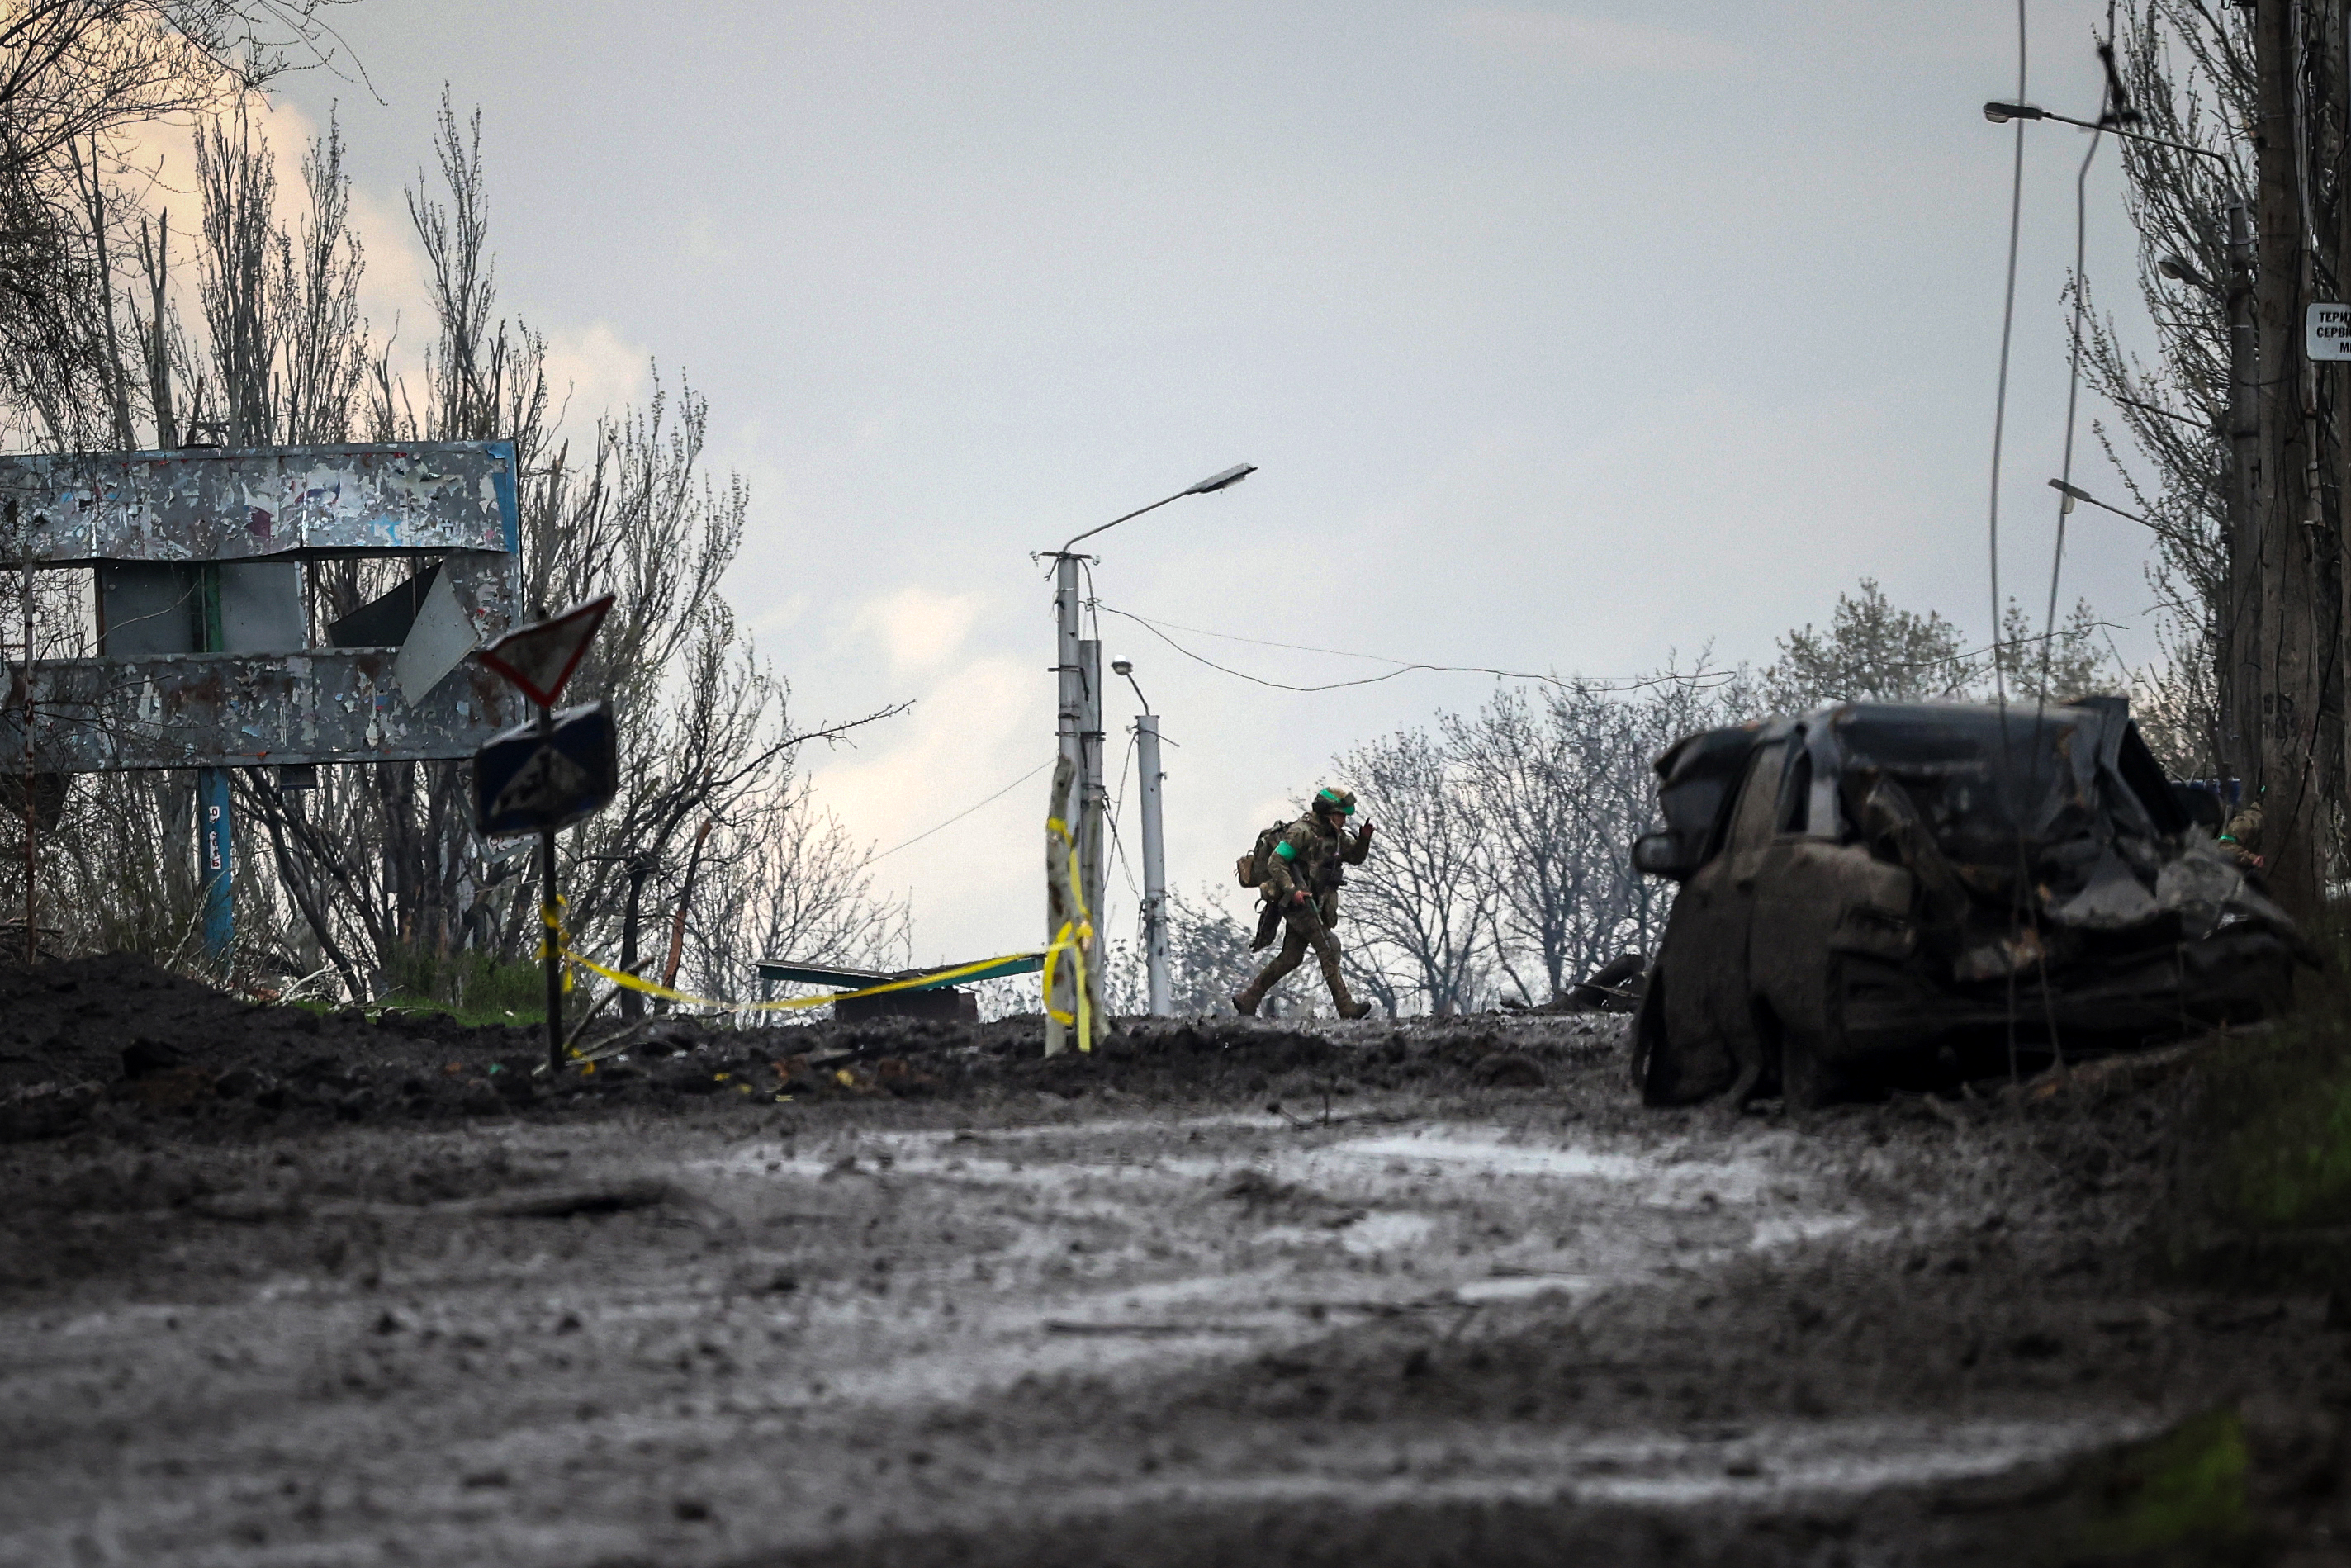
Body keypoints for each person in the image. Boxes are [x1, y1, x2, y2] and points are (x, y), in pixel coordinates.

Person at [1233, 786, 1376, 1019]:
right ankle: (1346, 1007)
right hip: (1297, 903)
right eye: (1341, 814)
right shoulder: (1301, 832)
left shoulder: (1336, 837)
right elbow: (1276, 861)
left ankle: (1249, 998)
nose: (1344, 819)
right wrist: (1293, 890)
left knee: (1291, 958)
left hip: (1316, 903)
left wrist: (1364, 840)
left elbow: (1355, 858)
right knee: (1328, 949)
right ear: (1328, 813)